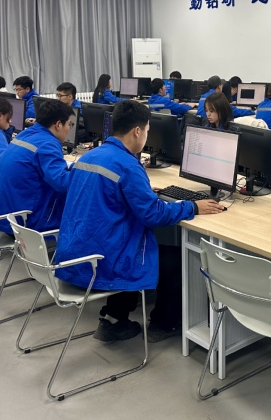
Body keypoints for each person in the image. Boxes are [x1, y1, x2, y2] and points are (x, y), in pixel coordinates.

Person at [53, 101, 224, 343]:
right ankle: (163, 324)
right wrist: (193, 206)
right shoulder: (127, 165)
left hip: (74, 254)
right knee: (177, 259)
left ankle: (114, 319)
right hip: (100, 263)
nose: (146, 135)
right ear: (137, 131)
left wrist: (141, 192)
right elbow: (153, 215)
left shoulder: (89, 156)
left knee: (127, 244)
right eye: (147, 130)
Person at [0, 99, 73, 234]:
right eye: (69, 124)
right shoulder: (47, 143)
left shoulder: (26, 134)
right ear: (58, 125)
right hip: (25, 224)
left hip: (5, 216)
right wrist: (84, 173)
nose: (69, 129)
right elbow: (63, 183)